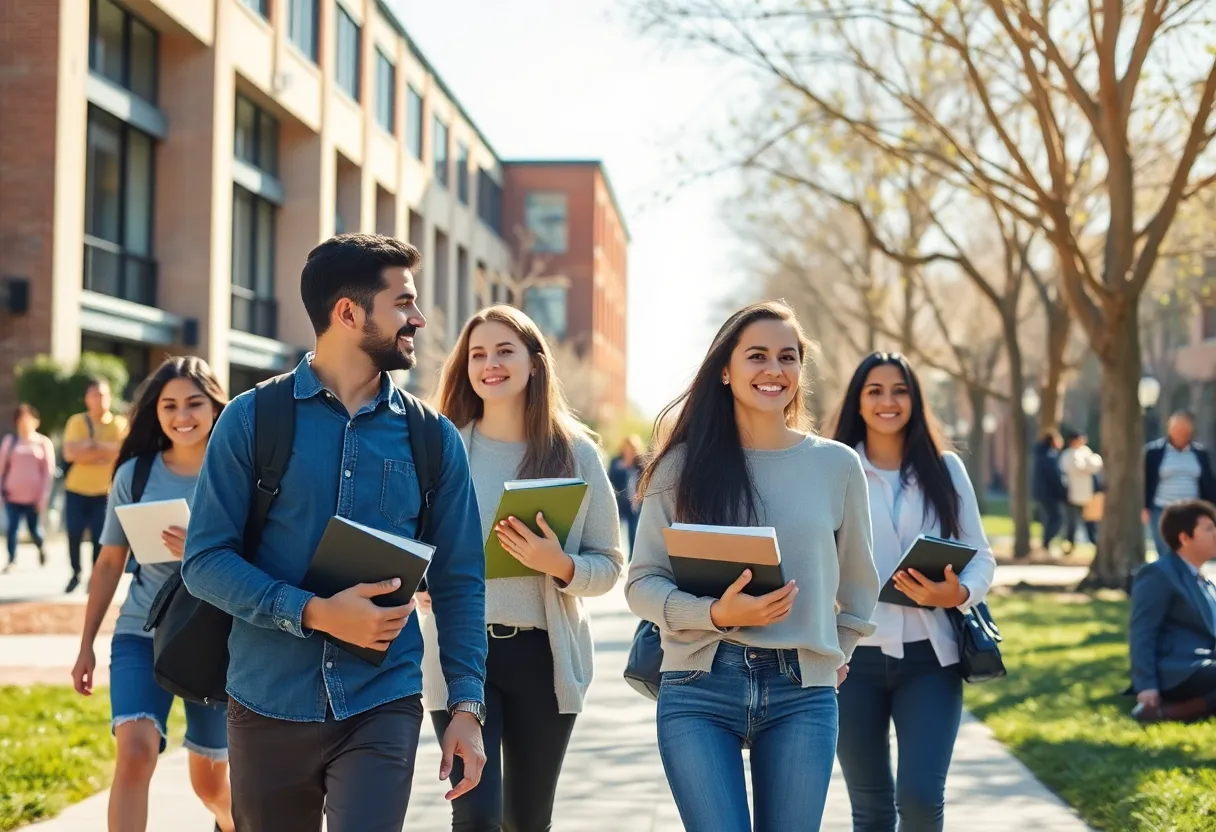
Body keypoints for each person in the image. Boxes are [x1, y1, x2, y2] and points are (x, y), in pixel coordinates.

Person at [181, 234, 488, 832]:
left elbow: (460, 580)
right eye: (403, 304)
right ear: (348, 313)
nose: (418, 319)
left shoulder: (433, 438)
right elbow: (205, 560)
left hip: (382, 698)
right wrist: (314, 612)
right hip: (267, 696)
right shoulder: (250, 419)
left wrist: (466, 706)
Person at [625, 301, 880, 832]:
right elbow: (642, 584)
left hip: (801, 693)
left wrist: (837, 652)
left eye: (787, 357)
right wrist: (715, 613)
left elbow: (858, 588)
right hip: (699, 682)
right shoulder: (680, 466)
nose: (774, 370)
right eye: (757, 356)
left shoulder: (837, 465)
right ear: (725, 369)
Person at [419, 305, 624, 831]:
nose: (490, 363)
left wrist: (558, 564)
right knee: (476, 815)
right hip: (462, 655)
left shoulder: (575, 453)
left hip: (544, 656)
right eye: (478, 354)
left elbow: (609, 564)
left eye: (504, 351)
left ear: (535, 363)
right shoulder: (443, 448)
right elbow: (408, 539)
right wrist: (419, 582)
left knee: (527, 821)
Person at [829, 352, 997, 832]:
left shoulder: (945, 469)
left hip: (931, 659)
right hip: (851, 660)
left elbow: (981, 555)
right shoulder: (833, 467)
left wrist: (958, 593)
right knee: (872, 810)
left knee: (921, 800)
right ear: (857, 402)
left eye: (899, 390)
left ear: (915, 399)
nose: (888, 401)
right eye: (875, 391)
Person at [69, 357, 233, 832]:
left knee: (211, 785)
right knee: (135, 752)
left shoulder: (238, 472)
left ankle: (230, 822)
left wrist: (203, 550)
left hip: (214, 640)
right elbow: (107, 563)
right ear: (155, 413)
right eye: (169, 405)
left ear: (215, 406)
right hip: (141, 631)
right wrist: (86, 646)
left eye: (194, 403)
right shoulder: (134, 475)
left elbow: (267, 557)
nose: (182, 415)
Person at [1129, 499, 1216, 724]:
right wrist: (1146, 685)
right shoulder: (1158, 574)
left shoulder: (1204, 579)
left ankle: (1179, 710)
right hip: (1178, 670)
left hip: (1206, 665)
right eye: (1209, 528)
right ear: (1184, 538)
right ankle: (1166, 711)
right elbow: (1142, 631)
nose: (1215, 533)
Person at [62, 377, 129, 592]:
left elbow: (122, 452)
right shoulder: (76, 421)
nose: (99, 400)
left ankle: (95, 576)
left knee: (100, 537)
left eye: (103, 395)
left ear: (110, 397)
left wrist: (91, 447)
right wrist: (104, 452)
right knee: (73, 533)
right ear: (87, 398)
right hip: (76, 489)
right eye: (94, 395)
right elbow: (70, 453)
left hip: (104, 491)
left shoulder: (119, 423)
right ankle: (75, 572)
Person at [1144, 411, 1216, 557]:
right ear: (1169, 429)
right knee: (1166, 551)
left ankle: (1186, 579)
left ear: (1190, 431)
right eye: (1177, 428)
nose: (1180, 433)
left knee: (1189, 551)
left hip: (1191, 511)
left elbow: (1208, 483)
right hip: (1162, 509)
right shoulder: (1154, 452)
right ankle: (1168, 579)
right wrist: (1144, 507)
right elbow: (1146, 480)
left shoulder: (1200, 453)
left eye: (1184, 429)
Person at [1, 404, 55, 571]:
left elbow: (48, 472)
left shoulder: (43, 443)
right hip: (12, 495)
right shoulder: (10, 442)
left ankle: (40, 546)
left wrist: (43, 497)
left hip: (33, 497)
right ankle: (12, 559)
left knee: (34, 530)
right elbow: (1, 468)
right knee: (12, 528)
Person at [1059, 431, 1103, 551]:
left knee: (1091, 521)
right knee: (1072, 522)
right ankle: (1069, 544)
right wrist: (1088, 466)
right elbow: (1079, 467)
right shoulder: (1068, 455)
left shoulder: (1086, 451)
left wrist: (1088, 466)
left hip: (1088, 494)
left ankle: (1094, 542)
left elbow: (1096, 464)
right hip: (1073, 494)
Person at [1031, 429, 1067, 553]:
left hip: (1042, 493)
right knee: (1056, 518)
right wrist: (1063, 491)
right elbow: (1054, 477)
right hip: (1049, 493)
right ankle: (1046, 544)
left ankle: (1046, 543)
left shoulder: (1040, 454)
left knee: (1050, 518)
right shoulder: (1049, 456)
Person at [608, 434, 644, 554]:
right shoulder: (616, 462)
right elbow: (610, 480)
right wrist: (622, 468)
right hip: (621, 502)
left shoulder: (641, 463)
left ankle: (632, 559)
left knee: (634, 531)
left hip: (636, 503)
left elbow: (645, 480)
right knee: (616, 531)